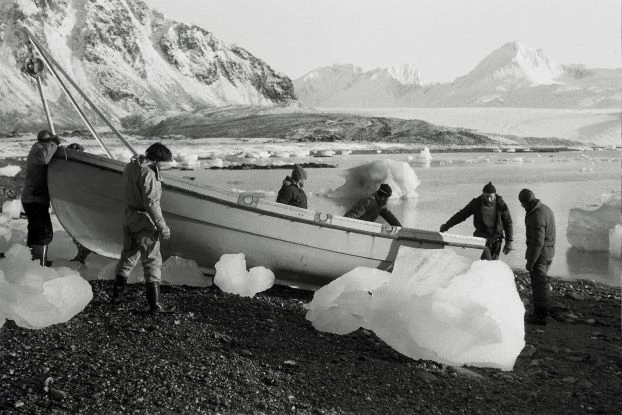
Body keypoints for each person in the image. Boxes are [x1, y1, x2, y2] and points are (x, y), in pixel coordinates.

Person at [111, 143, 176, 314]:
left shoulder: (130, 166)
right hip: (144, 222)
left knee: (128, 256)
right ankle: (155, 304)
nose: (163, 166)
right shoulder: (149, 173)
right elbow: (151, 203)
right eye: (163, 163)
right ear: (157, 159)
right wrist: (163, 227)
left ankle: (117, 296)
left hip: (128, 217)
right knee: (152, 261)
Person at [439, 182, 513, 260]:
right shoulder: (476, 203)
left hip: (496, 238)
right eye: (486, 196)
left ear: (495, 195)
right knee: (485, 261)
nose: (489, 199)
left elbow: (508, 222)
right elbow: (461, 215)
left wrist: (509, 241)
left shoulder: (501, 204)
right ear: (482, 194)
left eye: (491, 197)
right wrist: (446, 226)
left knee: (494, 263)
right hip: (482, 237)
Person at [21, 130, 60, 265]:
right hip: (34, 199)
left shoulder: (39, 148)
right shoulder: (38, 149)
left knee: (36, 232)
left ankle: (32, 263)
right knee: (43, 233)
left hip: (34, 199)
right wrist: (54, 144)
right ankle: (38, 266)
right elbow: (44, 159)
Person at [519, 188, 556, 325]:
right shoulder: (546, 209)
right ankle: (541, 311)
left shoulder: (536, 215)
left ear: (527, 201)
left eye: (522, 203)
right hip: (549, 252)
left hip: (540, 254)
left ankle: (540, 316)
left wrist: (531, 261)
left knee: (539, 284)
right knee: (542, 283)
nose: (522, 206)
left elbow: (538, 242)